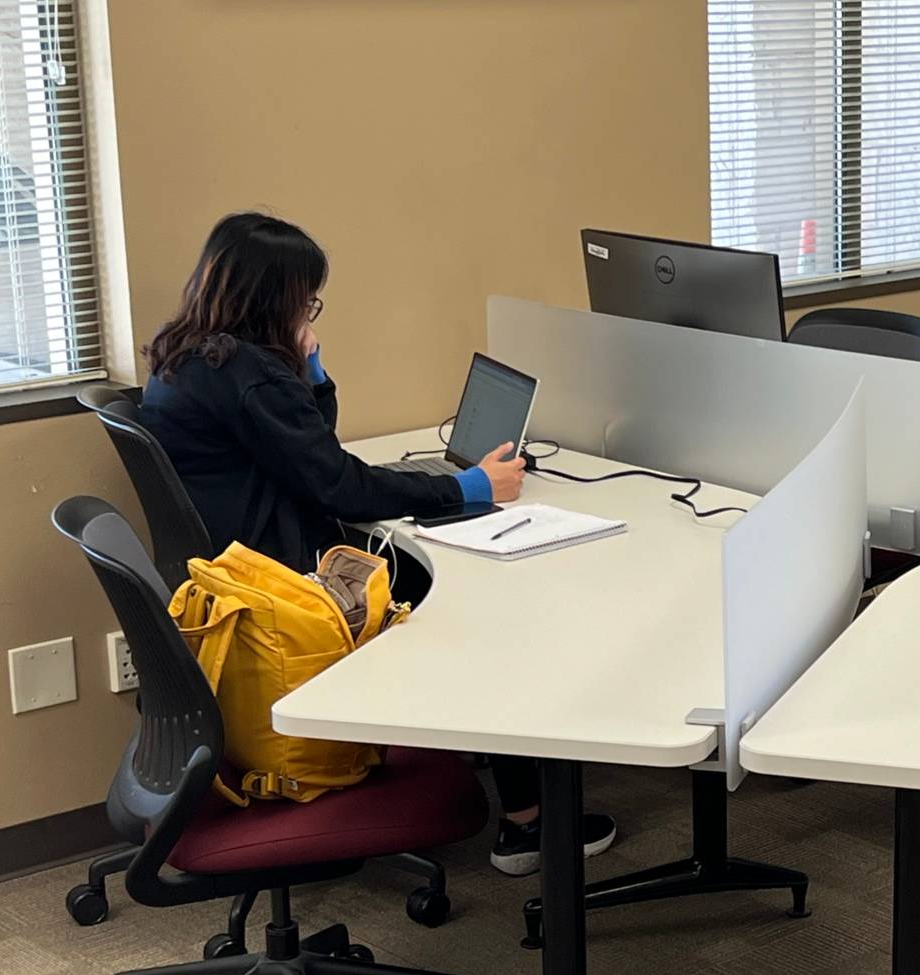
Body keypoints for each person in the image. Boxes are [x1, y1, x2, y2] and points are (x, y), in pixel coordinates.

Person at [140, 212, 613, 871]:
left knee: (435, 576)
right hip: (287, 583)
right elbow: (340, 488)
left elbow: (308, 453)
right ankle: (527, 819)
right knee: (478, 606)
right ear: (274, 296)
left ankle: (488, 776)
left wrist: (311, 371)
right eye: (306, 299)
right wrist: (471, 488)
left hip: (244, 571)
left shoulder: (192, 356)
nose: (310, 310)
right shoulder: (253, 379)